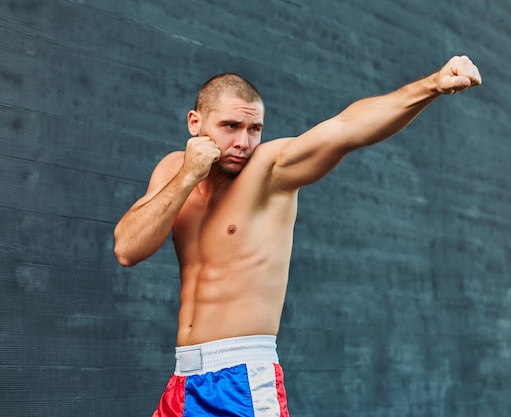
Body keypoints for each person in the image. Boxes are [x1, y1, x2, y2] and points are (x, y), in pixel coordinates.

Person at [113, 55, 482, 416]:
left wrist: (433, 84)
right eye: (230, 126)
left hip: (242, 382)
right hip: (182, 381)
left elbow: (346, 128)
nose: (244, 142)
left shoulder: (269, 170)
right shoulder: (173, 170)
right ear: (195, 123)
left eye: (254, 129)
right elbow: (128, 250)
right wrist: (188, 177)